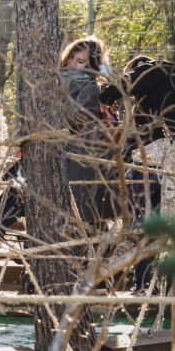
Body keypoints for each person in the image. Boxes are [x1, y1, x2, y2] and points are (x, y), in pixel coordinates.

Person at [60, 36, 114, 223]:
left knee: (84, 217)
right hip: (60, 153)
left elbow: (67, 120)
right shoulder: (56, 83)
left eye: (80, 61)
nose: (72, 64)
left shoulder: (91, 89)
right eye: (71, 58)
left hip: (80, 159)